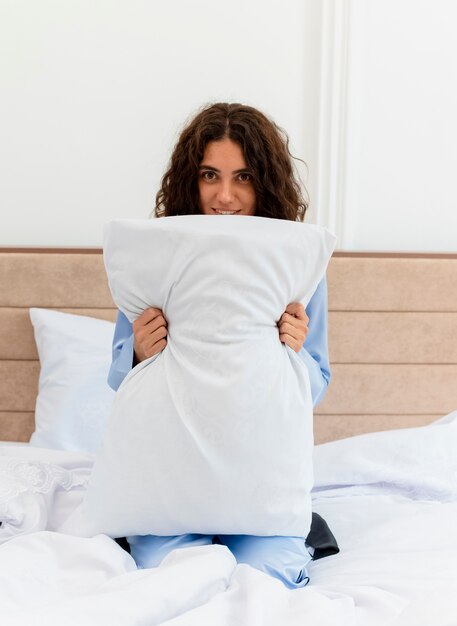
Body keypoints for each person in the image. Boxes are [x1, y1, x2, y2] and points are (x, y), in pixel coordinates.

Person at [108, 102, 336, 589]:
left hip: (258, 481)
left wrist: (292, 356)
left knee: (265, 579)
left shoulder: (293, 263)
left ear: (266, 183)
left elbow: (315, 385)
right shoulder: (158, 253)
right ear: (191, 179)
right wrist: (139, 353)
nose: (225, 196)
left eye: (244, 177)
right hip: (170, 479)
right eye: (210, 175)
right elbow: (117, 379)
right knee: (180, 580)